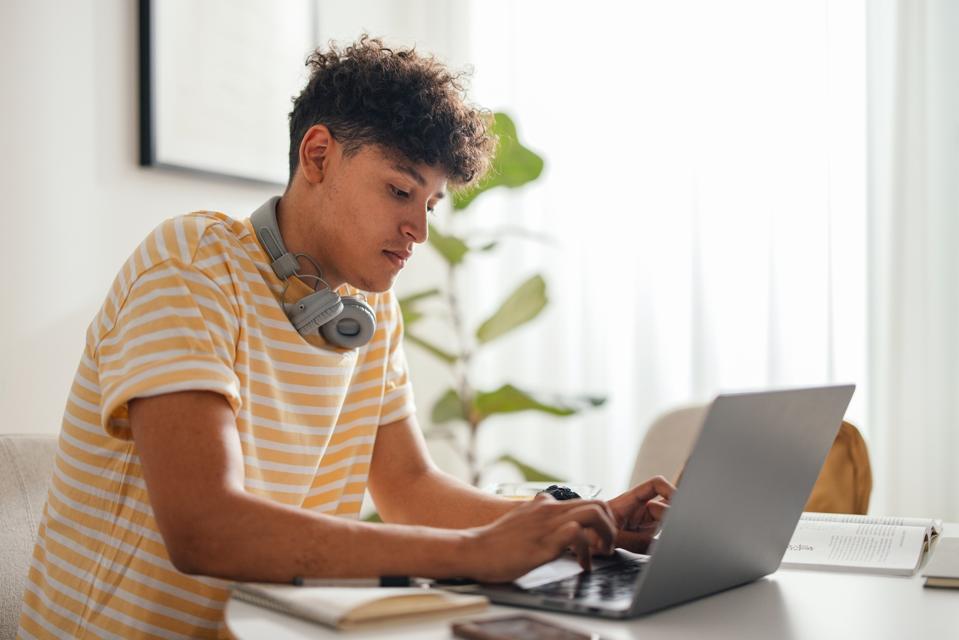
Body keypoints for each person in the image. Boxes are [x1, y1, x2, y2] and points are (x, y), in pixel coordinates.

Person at [19, 36, 674, 638]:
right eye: (399, 190)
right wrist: (473, 554)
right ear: (319, 156)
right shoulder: (190, 268)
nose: (418, 228)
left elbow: (410, 487)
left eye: (430, 204)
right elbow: (205, 530)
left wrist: (581, 524)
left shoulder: (363, 308)